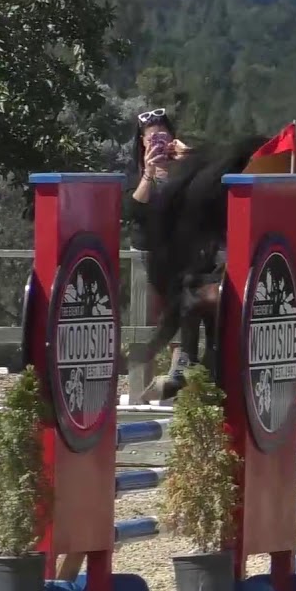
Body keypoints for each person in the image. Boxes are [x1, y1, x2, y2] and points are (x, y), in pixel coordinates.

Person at [124, 108, 194, 401]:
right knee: (147, 323)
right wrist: (149, 175)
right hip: (146, 253)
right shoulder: (136, 171)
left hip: (181, 253)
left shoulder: (184, 167)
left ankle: (174, 391)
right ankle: (140, 391)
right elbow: (133, 210)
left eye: (164, 137)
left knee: (181, 321)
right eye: (152, 138)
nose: (158, 144)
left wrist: (190, 159)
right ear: (141, 142)